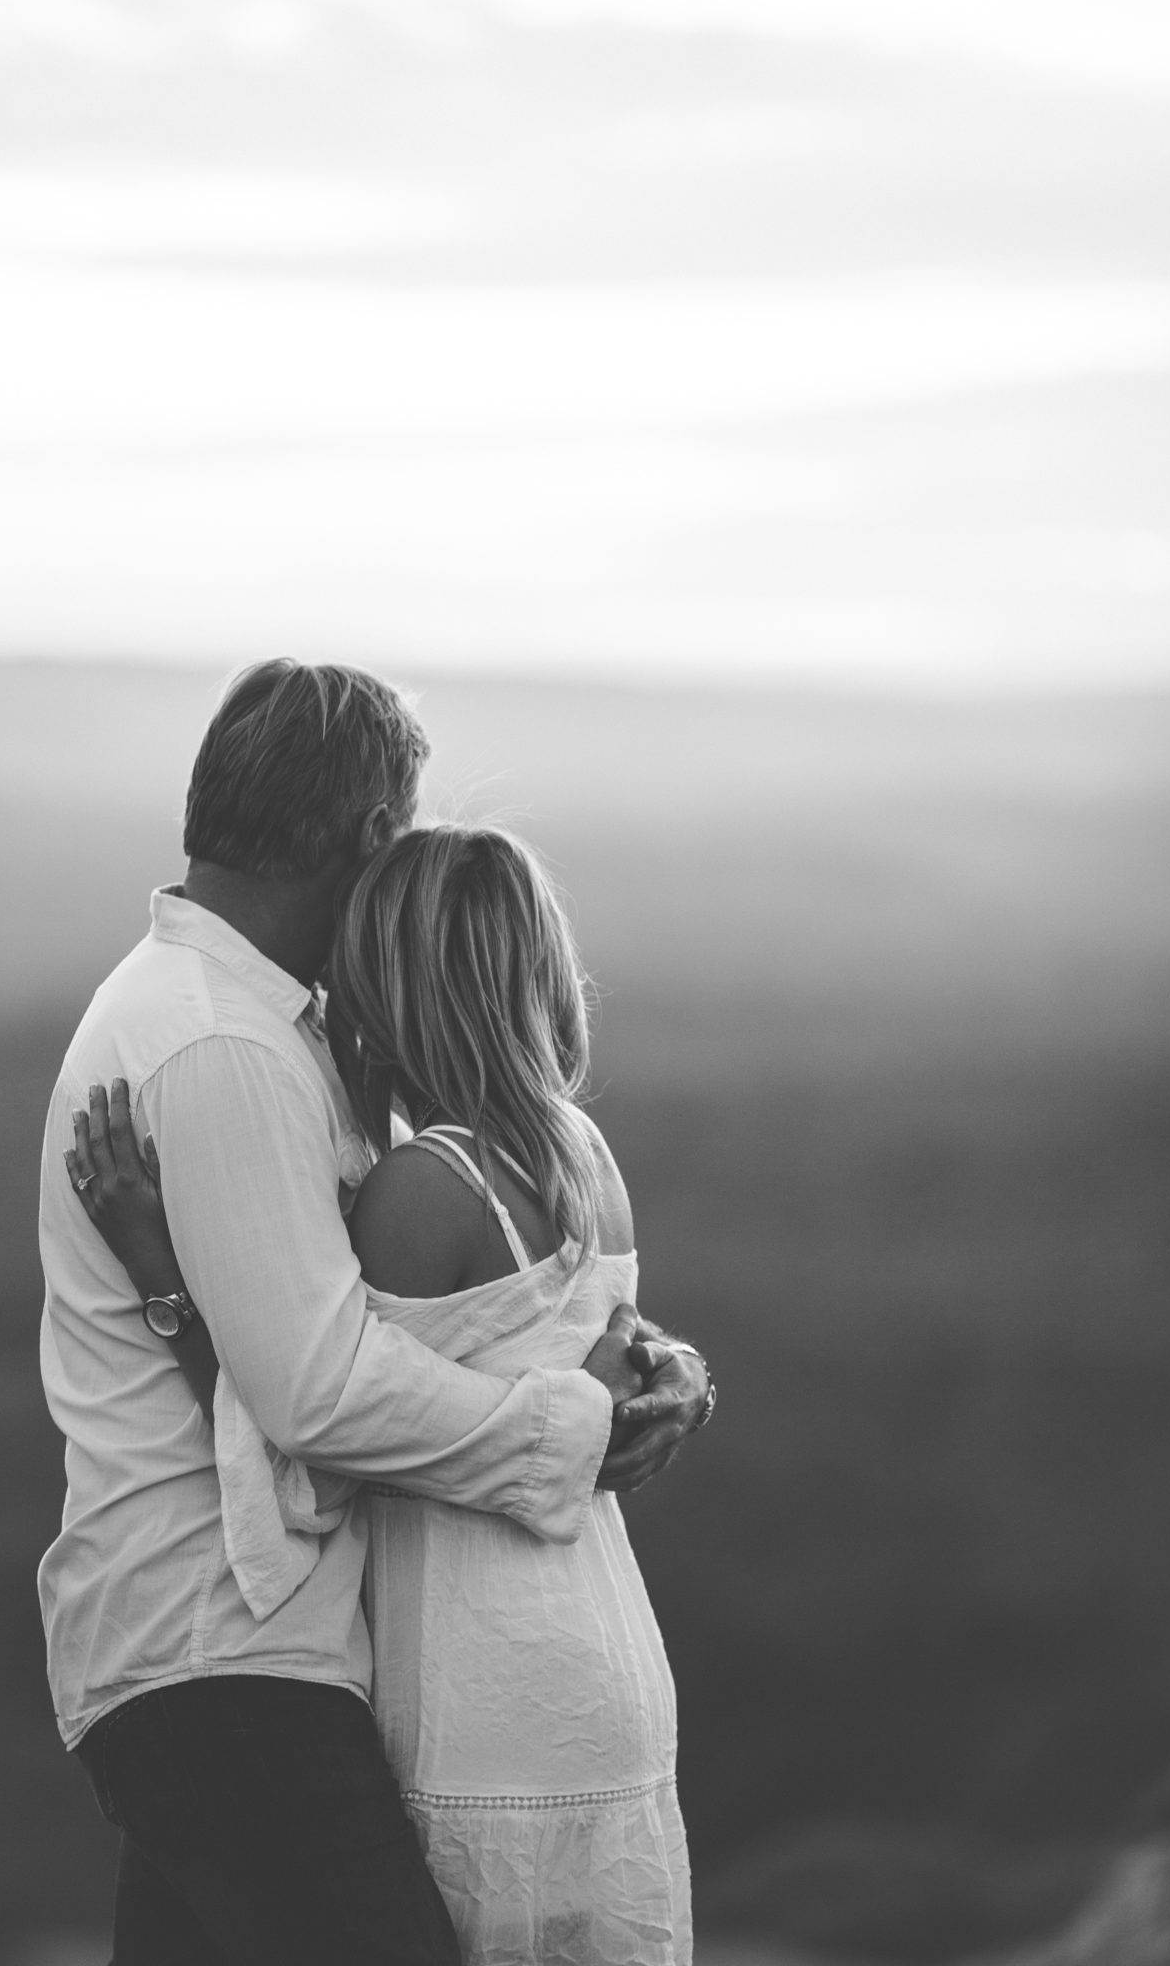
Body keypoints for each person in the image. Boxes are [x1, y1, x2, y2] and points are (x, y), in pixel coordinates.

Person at [40, 659, 711, 1965]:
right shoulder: (245, 1051)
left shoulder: (354, 1117)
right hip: (392, 1645)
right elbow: (359, 1387)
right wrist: (611, 1406)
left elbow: (327, 1411)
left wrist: (166, 1283)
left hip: (392, 1657)